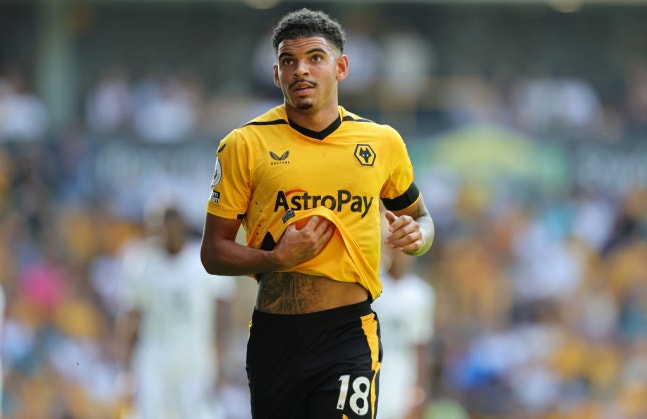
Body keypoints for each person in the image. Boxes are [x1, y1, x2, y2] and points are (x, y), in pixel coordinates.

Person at [200, 8, 434, 419]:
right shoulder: (244, 145)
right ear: (277, 75)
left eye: (315, 58)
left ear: (341, 67)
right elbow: (212, 253)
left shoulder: (381, 142)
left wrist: (418, 239)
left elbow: (422, 220)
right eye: (288, 61)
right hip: (274, 337)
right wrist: (276, 258)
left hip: (348, 335)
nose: (301, 70)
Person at [115, 204, 236, 419]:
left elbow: (221, 314)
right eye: (159, 228)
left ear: (183, 226)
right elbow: (131, 316)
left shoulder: (205, 261)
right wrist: (125, 368)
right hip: (155, 360)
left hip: (196, 360)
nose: (165, 233)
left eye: (170, 226)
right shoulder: (141, 263)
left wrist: (220, 358)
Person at [371, 243, 435, 419]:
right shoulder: (373, 286)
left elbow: (420, 345)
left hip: (403, 382)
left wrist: (419, 391)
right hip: (373, 376)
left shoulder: (421, 293)